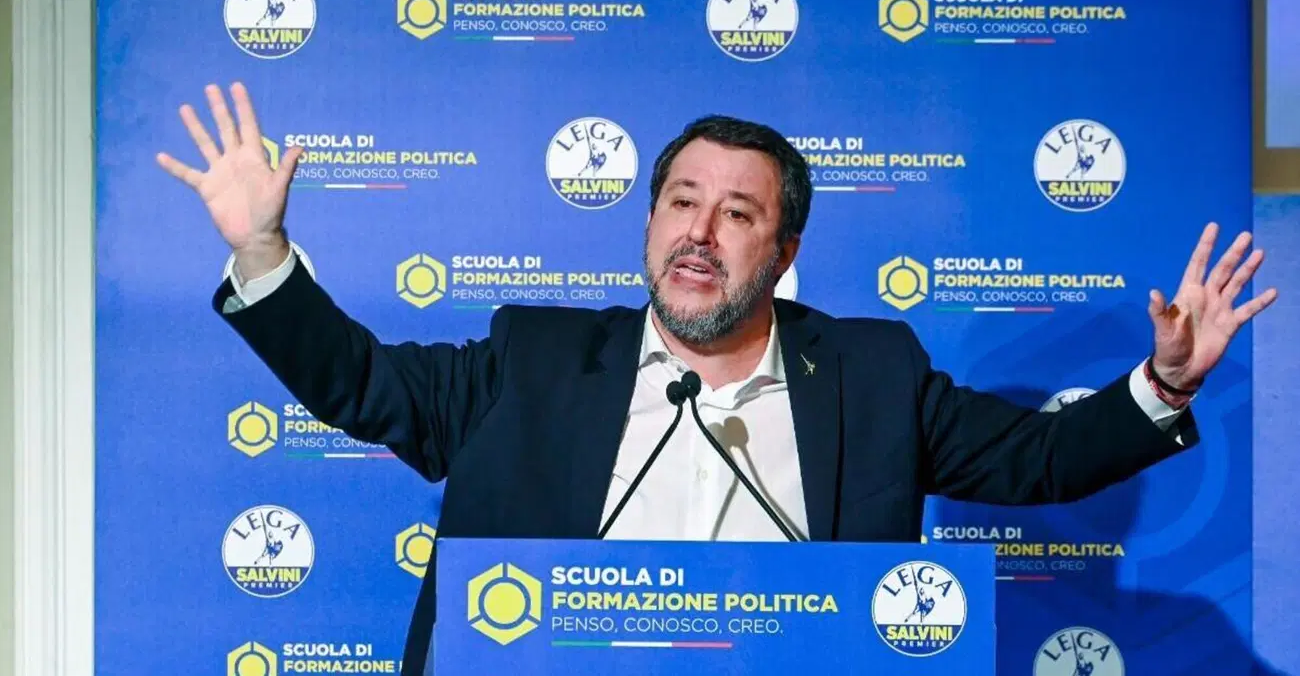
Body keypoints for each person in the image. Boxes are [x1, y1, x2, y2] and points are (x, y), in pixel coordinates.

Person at [157, 83, 1277, 676]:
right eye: (681, 202)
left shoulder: (871, 374)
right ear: (649, 221)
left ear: (783, 253)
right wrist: (262, 252)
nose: (700, 231)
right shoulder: (532, 360)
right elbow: (361, 384)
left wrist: (1162, 383)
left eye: (738, 213)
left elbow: (1036, 458)